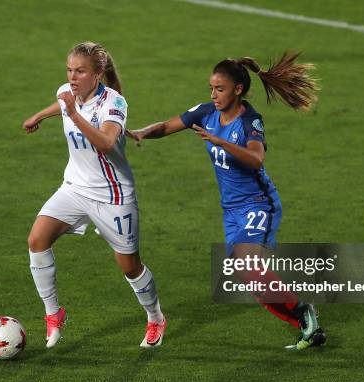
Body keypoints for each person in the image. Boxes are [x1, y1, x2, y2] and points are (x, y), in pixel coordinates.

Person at [127, 52, 325, 350]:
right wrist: (142, 132)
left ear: (238, 90)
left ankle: (302, 311)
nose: (213, 94)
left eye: (220, 89)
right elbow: (168, 126)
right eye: (212, 88)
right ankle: (306, 325)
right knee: (247, 276)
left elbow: (256, 159)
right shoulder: (207, 113)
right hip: (231, 210)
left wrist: (222, 142)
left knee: (249, 268)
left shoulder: (250, 121)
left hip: (258, 204)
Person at [22, 41, 166, 349]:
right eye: (69, 70)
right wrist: (39, 116)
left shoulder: (114, 104)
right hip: (74, 188)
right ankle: (53, 314)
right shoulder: (68, 93)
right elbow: (61, 103)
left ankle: (155, 317)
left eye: (80, 71)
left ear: (98, 74)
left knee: (129, 266)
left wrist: (73, 114)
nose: (73, 77)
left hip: (113, 196)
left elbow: (106, 143)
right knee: (37, 240)